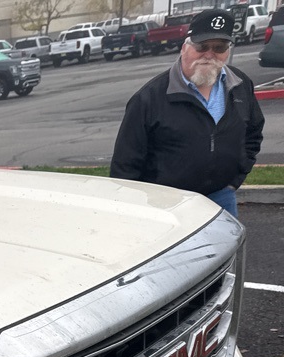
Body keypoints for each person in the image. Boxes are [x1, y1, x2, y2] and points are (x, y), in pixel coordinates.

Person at [110, 8, 264, 216]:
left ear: (227, 51)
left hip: (222, 197)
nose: (209, 55)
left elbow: (253, 133)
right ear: (185, 47)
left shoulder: (240, 84)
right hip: (167, 205)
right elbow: (124, 166)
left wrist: (234, 179)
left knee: (225, 249)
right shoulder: (148, 98)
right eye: (202, 46)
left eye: (219, 47)